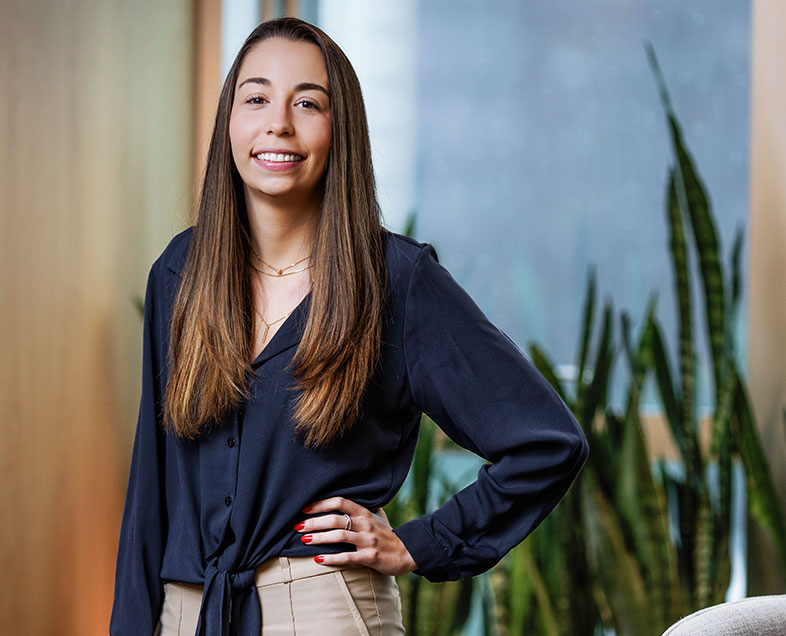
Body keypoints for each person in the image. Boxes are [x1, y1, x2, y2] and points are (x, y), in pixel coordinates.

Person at [109, 16, 589, 636]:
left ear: (342, 130)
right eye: (256, 98)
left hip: (322, 611)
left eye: (307, 103)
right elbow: (150, 491)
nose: (277, 123)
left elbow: (547, 441)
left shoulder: (398, 281)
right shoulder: (178, 272)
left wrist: (422, 543)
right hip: (187, 613)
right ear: (230, 121)